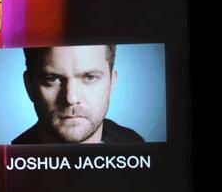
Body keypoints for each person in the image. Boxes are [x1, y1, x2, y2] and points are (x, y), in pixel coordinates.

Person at [12, 45, 144, 144]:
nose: (71, 98)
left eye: (90, 77)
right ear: (29, 86)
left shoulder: (136, 145)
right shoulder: (1, 161)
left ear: (112, 83)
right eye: (52, 79)